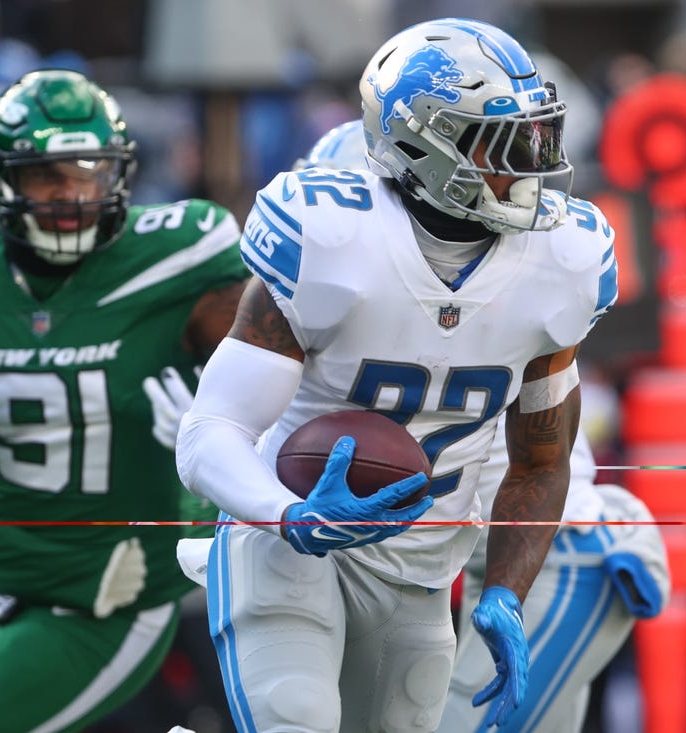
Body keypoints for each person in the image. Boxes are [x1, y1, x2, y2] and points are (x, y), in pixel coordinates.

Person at [173, 18, 619, 732]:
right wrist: (289, 512)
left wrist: (505, 588)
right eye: (499, 143)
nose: (528, 165)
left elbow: (541, 457)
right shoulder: (331, 237)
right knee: (299, 718)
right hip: (286, 544)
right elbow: (210, 432)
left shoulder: (563, 260)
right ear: (421, 143)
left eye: (536, 137)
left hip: (417, 570)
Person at [0, 68, 249, 732]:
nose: (71, 195)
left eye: (89, 172)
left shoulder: (181, 256)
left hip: (107, 596)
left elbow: (278, 384)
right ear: (1, 181)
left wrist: (215, 426)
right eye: (46, 175)